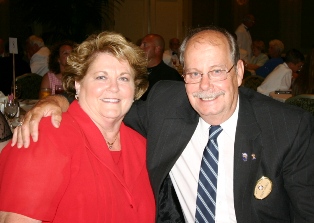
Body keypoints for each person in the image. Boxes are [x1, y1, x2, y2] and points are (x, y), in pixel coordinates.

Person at [12, 26, 314, 222]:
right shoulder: (166, 106)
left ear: (237, 73)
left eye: (217, 71)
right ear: (182, 75)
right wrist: (55, 101)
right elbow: (105, 106)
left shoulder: (288, 128)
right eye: (194, 73)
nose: (204, 85)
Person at [0, 31, 156, 222]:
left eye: (124, 78)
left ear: (135, 88)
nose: (114, 87)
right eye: (101, 77)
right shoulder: (46, 136)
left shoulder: (142, 146)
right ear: (78, 83)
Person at [139, 34, 182, 100]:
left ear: (157, 49)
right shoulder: (137, 72)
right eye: (141, 45)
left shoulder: (170, 76)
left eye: (144, 45)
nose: (140, 48)